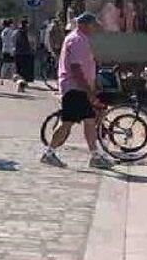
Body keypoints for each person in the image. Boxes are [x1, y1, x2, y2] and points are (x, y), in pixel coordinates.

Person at [41, 13, 108, 169]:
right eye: (93, 25)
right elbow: (76, 68)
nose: (95, 28)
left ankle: (94, 156)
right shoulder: (78, 40)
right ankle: (50, 153)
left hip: (77, 88)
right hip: (74, 88)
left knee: (87, 121)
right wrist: (88, 90)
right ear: (85, 25)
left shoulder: (79, 38)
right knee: (69, 123)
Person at [13, 18, 34, 92]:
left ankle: (20, 86)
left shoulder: (16, 32)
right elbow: (31, 42)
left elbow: (13, 41)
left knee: (18, 71)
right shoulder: (27, 33)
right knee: (24, 72)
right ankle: (21, 86)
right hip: (25, 54)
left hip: (17, 53)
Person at [0, 18, 17, 83]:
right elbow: (13, 41)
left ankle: (2, 78)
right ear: (10, 24)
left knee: (5, 65)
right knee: (12, 64)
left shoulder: (3, 31)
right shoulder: (12, 31)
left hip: (4, 49)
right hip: (11, 49)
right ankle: (13, 78)